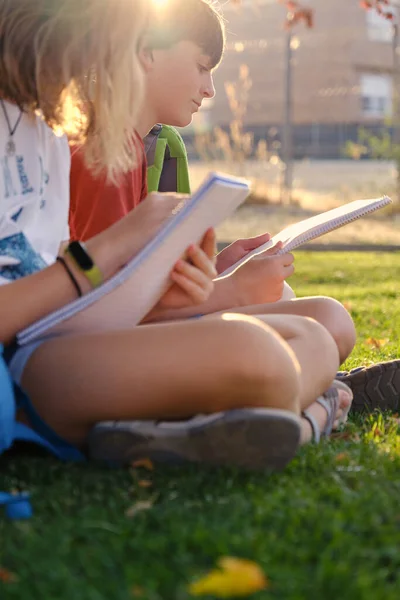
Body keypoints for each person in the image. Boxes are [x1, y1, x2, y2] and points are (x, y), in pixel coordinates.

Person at [0, 0, 353, 472]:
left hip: (66, 339)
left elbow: (78, 287)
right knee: (264, 355)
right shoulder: (84, 143)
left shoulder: (47, 132)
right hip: (31, 366)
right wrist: (113, 253)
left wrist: (200, 277)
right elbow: (75, 283)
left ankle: (177, 428)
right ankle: (312, 412)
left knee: (318, 333)